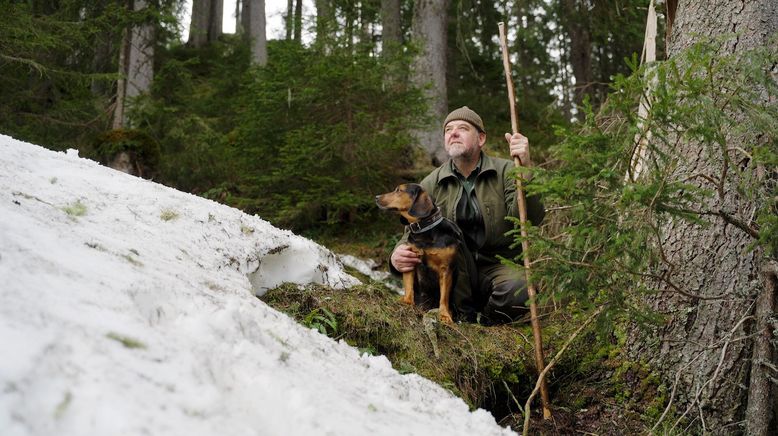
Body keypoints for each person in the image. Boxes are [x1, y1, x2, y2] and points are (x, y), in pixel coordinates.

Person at [390, 106, 545, 324]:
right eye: (448, 130)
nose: (453, 133)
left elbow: (529, 220)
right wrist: (397, 255)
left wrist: (526, 169)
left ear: (481, 138)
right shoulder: (430, 184)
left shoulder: (508, 171)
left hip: (497, 266)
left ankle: (484, 322)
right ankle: (446, 310)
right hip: (452, 272)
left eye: (462, 128)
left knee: (522, 289)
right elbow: (414, 231)